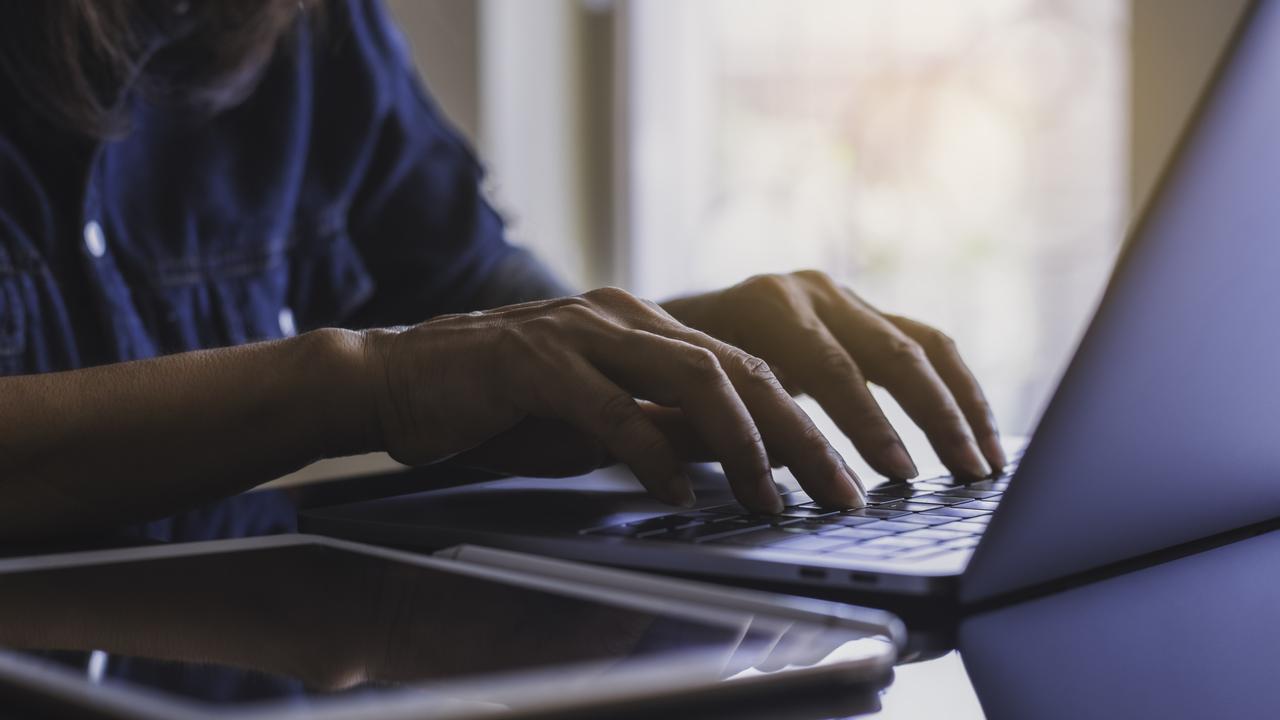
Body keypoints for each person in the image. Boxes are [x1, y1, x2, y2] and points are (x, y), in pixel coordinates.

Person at [0, 0, 1005, 543]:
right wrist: (367, 383)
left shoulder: (309, 26)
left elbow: (470, 303)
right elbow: (411, 368)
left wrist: (666, 342)